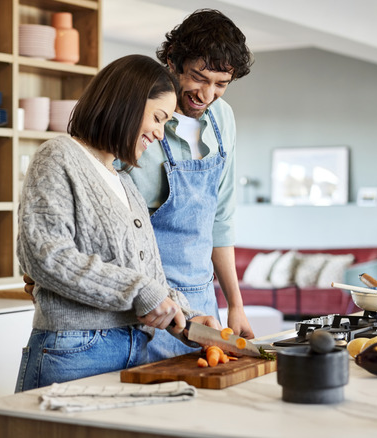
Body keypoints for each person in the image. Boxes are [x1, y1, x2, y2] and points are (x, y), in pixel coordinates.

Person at [15, 54, 221, 392]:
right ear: (127, 103)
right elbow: (45, 256)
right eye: (158, 118)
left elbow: (148, 276)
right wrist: (141, 292)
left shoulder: (125, 182)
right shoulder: (58, 156)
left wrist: (187, 318)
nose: (159, 133)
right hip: (75, 350)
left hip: (134, 348)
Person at [131, 9, 256, 362]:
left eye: (221, 84)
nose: (207, 94)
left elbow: (221, 218)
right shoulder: (140, 118)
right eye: (199, 78)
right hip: (148, 304)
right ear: (172, 61)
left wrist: (235, 304)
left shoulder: (223, 118)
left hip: (202, 305)